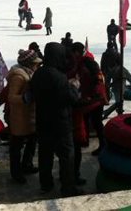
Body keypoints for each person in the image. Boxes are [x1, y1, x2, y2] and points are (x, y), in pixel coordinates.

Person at [30, 42, 83, 197]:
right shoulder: (59, 77)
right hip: (60, 123)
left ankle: (46, 184)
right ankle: (68, 188)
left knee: (45, 156)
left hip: (43, 121)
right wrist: (74, 86)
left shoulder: (39, 73)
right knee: (67, 157)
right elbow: (70, 99)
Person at [7, 49, 42, 183]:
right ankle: (16, 173)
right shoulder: (18, 76)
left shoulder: (29, 73)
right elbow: (11, 97)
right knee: (17, 146)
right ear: (29, 64)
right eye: (35, 63)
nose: (37, 65)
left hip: (30, 115)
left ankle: (27, 165)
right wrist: (25, 98)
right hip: (20, 117)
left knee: (32, 141)